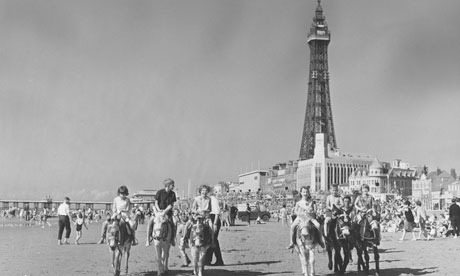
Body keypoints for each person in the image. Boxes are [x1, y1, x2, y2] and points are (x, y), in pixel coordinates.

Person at [149, 178, 177, 246]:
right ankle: (148, 238)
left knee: (175, 222)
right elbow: (156, 202)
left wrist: (164, 211)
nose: (173, 186)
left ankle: (173, 238)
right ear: (168, 185)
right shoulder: (159, 192)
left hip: (167, 213)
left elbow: (171, 205)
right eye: (172, 185)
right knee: (150, 221)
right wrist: (158, 210)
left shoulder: (173, 194)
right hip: (158, 212)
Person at [205, 187, 224, 266]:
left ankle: (218, 260)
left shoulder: (213, 199)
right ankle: (209, 260)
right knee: (210, 240)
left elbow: (217, 212)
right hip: (210, 219)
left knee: (213, 240)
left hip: (214, 219)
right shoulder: (207, 199)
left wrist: (215, 223)